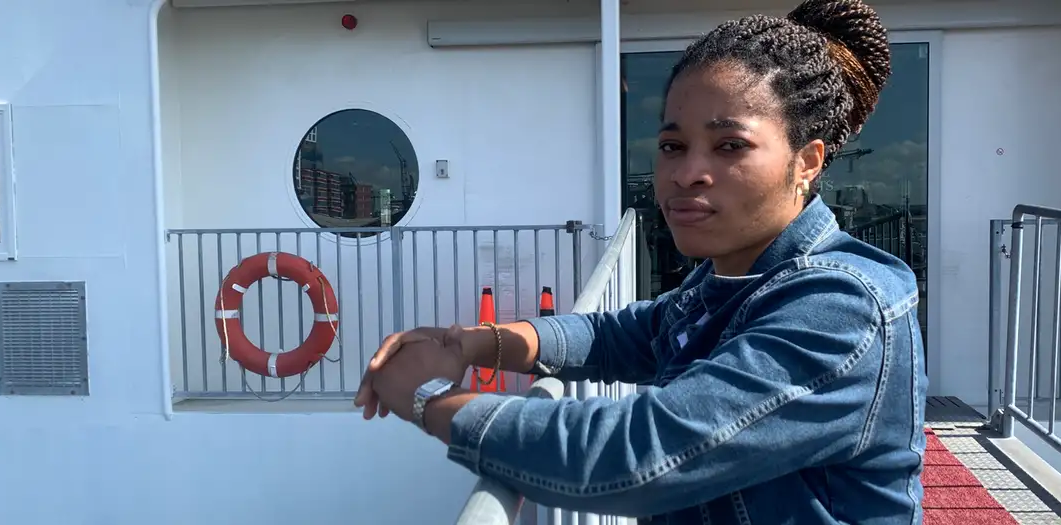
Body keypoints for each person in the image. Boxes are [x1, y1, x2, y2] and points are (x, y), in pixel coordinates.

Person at [353, 0, 928, 522]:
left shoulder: (843, 307)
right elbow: (617, 335)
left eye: (730, 146)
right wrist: (474, 342)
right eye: (673, 146)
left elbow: (637, 457)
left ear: (806, 163)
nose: (685, 173)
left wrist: (428, 401)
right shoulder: (729, 277)